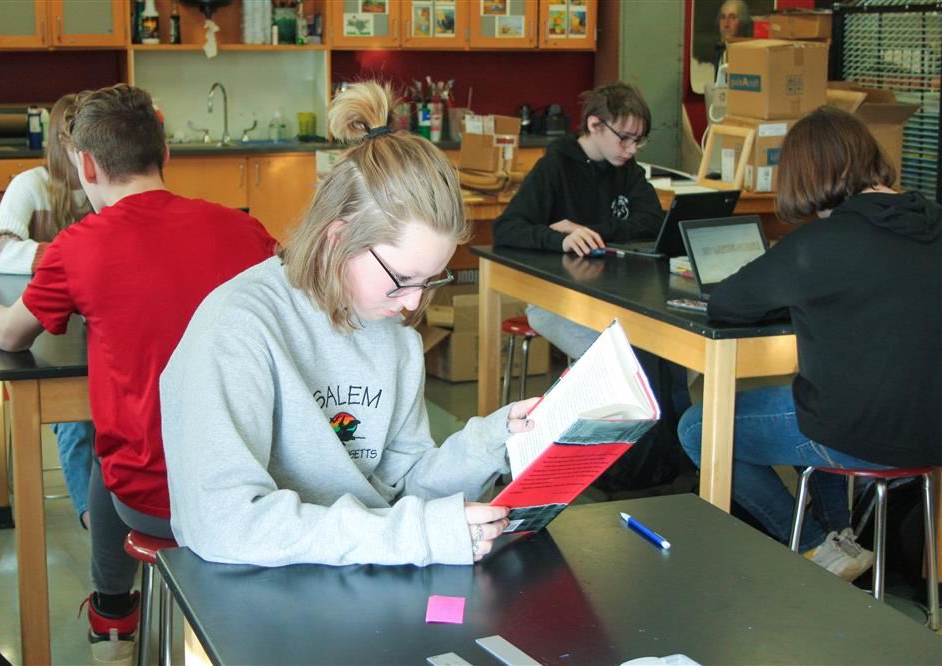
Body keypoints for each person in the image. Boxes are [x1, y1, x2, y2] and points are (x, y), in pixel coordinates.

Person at [159, 81, 538, 568]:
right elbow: (222, 522)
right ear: (339, 239)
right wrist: (415, 534)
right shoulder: (238, 327)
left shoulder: (390, 330)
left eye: (430, 279)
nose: (413, 304)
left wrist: (491, 442)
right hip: (258, 585)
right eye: (403, 279)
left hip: (358, 574)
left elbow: (401, 488)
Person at [0, 84, 276, 663]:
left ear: (85, 163)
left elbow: (13, 333)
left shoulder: (76, 246)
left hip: (155, 498)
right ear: (165, 152)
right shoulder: (245, 231)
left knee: (119, 455)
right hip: (256, 482)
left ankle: (114, 619)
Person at [677, 106, 942, 581]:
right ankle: (844, 539)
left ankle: (814, 545)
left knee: (699, 426)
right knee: (807, 395)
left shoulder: (819, 244)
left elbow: (728, 305)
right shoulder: (933, 219)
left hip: (863, 435)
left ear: (808, 174)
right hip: (930, 430)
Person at [491, 82, 692, 494]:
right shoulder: (555, 168)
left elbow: (652, 222)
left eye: (639, 140)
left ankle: (659, 461)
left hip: (620, 302)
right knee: (619, 362)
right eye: (625, 138)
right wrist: (557, 238)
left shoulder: (627, 173)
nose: (632, 149)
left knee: (669, 355)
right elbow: (506, 229)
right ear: (595, 125)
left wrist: (590, 232)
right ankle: (600, 461)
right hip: (556, 303)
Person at [0, 94, 96, 529]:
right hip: (47, 326)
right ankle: (91, 517)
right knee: (76, 422)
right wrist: (74, 256)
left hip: (98, 321)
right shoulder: (33, 184)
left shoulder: (110, 184)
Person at [712, 0, 753, 82]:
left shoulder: (750, 55)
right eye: (723, 17)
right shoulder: (718, 52)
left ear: (743, 22)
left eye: (732, 17)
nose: (726, 24)